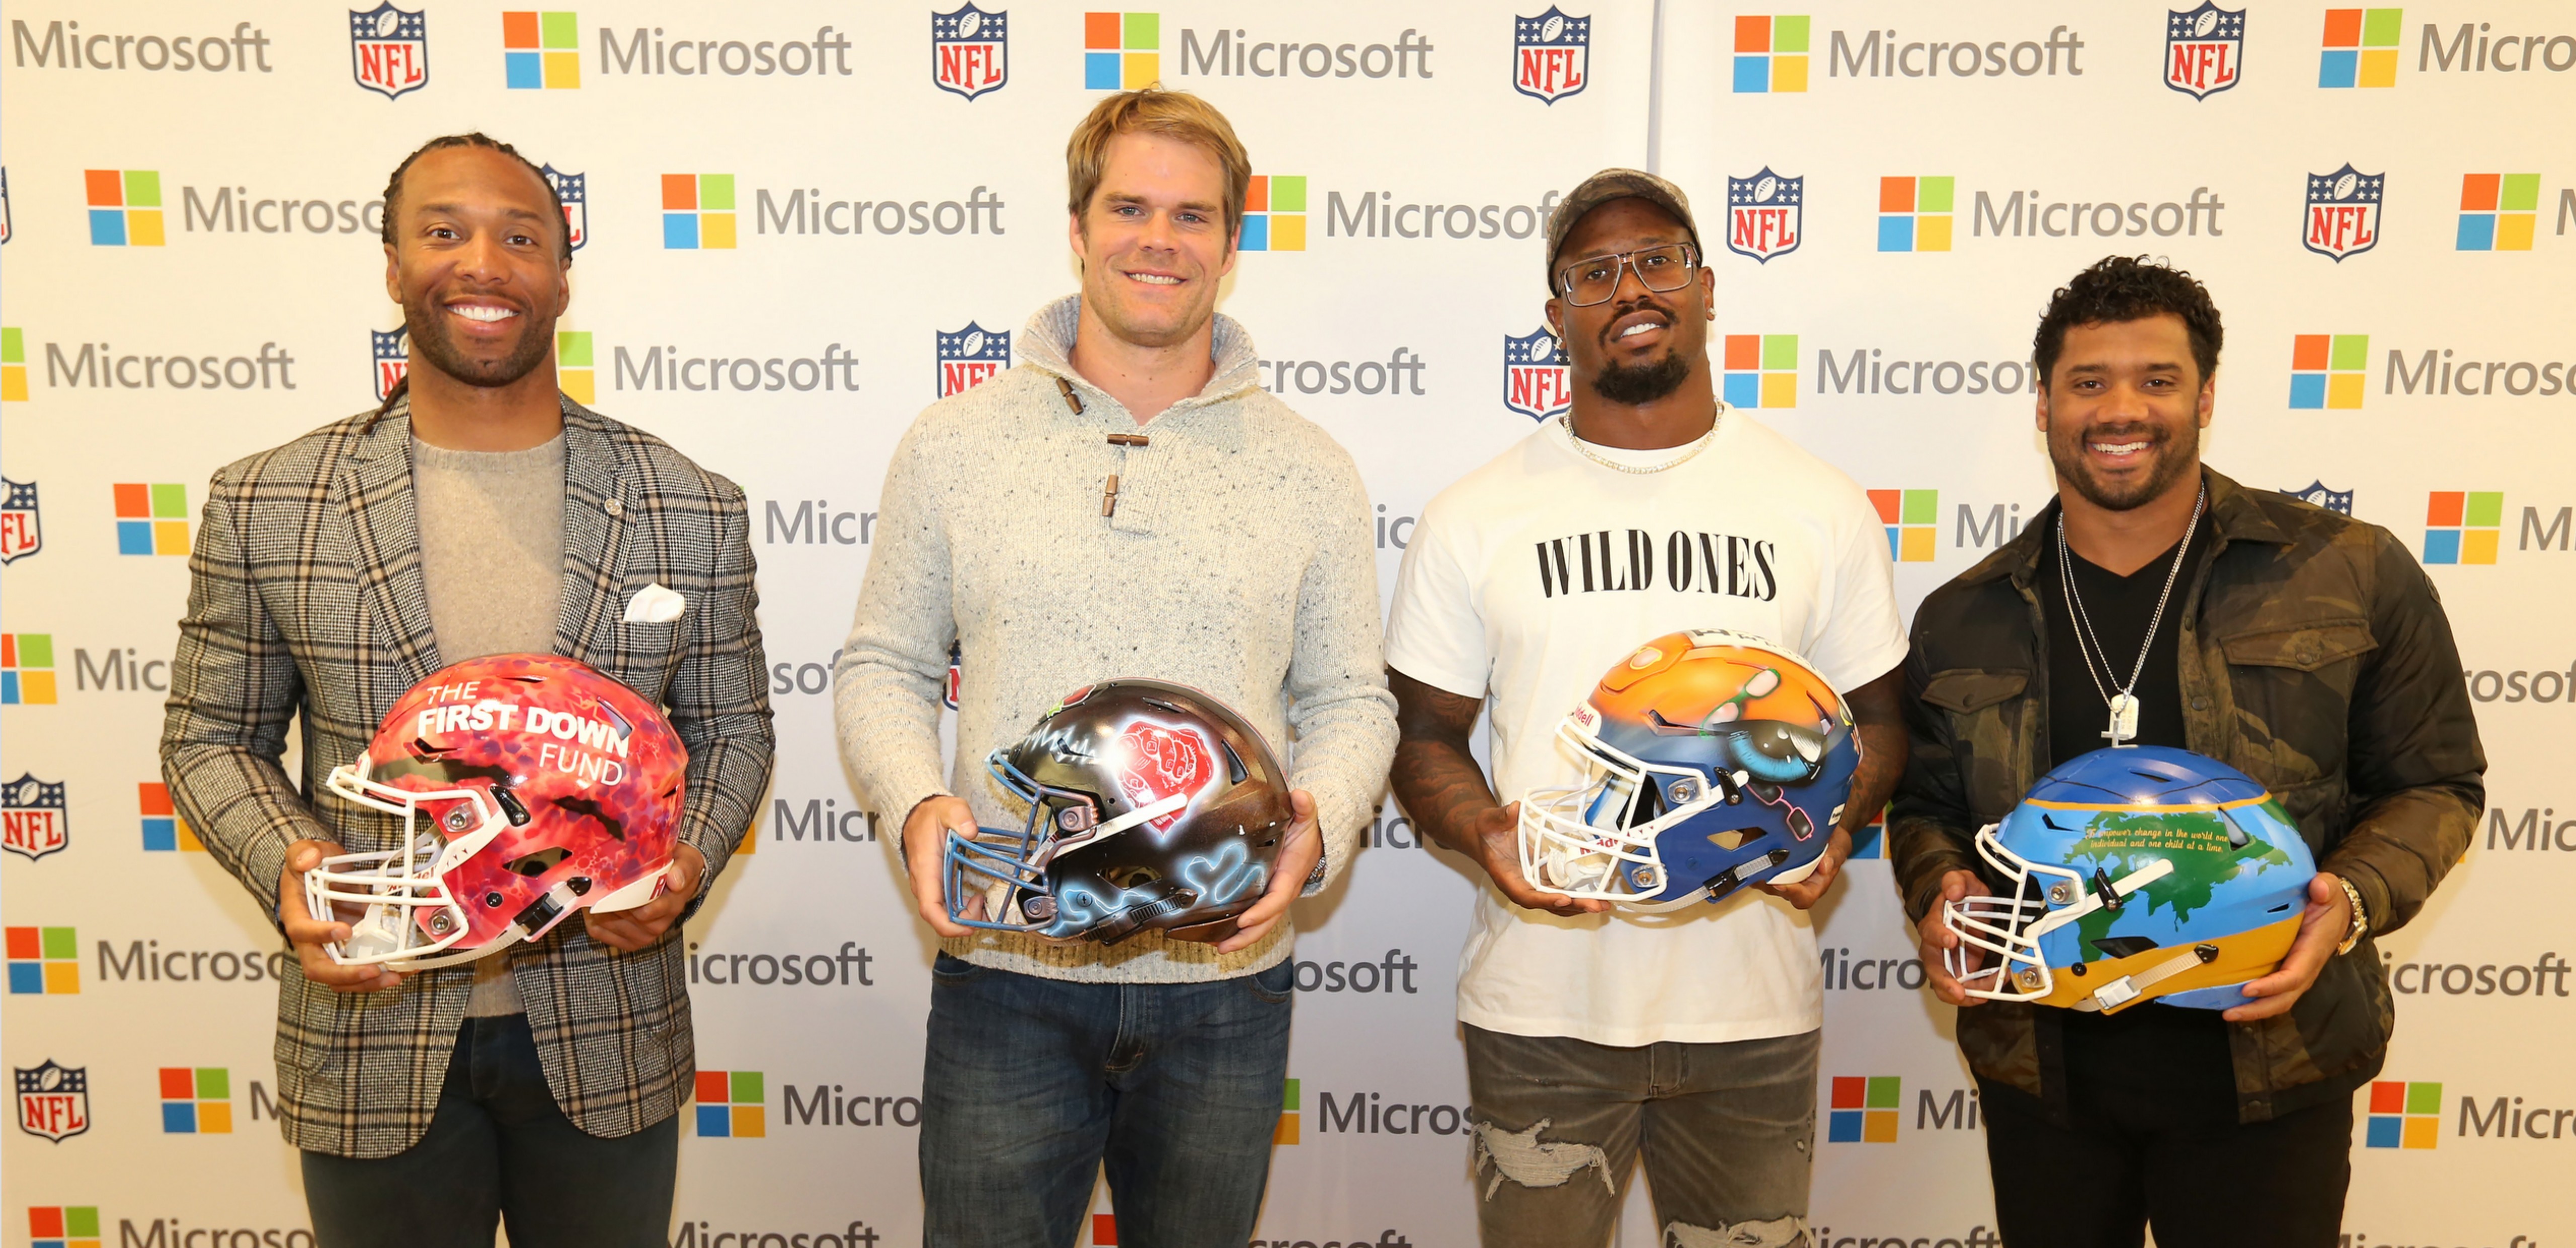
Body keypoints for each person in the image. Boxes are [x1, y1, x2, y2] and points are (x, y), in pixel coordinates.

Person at [160, 132, 774, 1248]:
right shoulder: (267, 501)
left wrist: (679, 864)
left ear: (562, 275)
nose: (483, 263)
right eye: (443, 232)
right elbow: (210, 737)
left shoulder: (689, 502)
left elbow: (732, 730)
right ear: (393, 265)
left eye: (520, 236)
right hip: (370, 1028)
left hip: (607, 1030)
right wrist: (295, 862)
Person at [832, 88, 1398, 1248]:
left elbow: (1350, 698)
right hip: (1007, 965)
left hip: (1225, 984)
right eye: (1129, 207)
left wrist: (1321, 820)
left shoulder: (1310, 467)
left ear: (1232, 245)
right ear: (1079, 228)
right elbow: (883, 662)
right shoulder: (954, 444)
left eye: (1193, 216)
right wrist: (917, 800)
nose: (1159, 239)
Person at [1890, 255, 2483, 1247]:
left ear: (2205, 395)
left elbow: (2434, 781)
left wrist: (2350, 897)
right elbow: (1925, 807)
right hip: (2044, 1078)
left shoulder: (2347, 569)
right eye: (2088, 382)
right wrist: (1938, 884)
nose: (2121, 409)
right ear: (2043, 405)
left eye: (2155, 379)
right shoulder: (1964, 615)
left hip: (2269, 1068)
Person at [1383, 169, 1909, 1247]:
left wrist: (1836, 820)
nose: (1631, 287)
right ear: (1555, 315)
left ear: (1707, 287)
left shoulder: (1817, 504)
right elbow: (1422, 733)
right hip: (1542, 1007)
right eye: (1594, 270)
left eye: (1657, 259)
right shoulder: (1474, 515)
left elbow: (1884, 718)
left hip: (1752, 1008)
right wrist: (1487, 830)